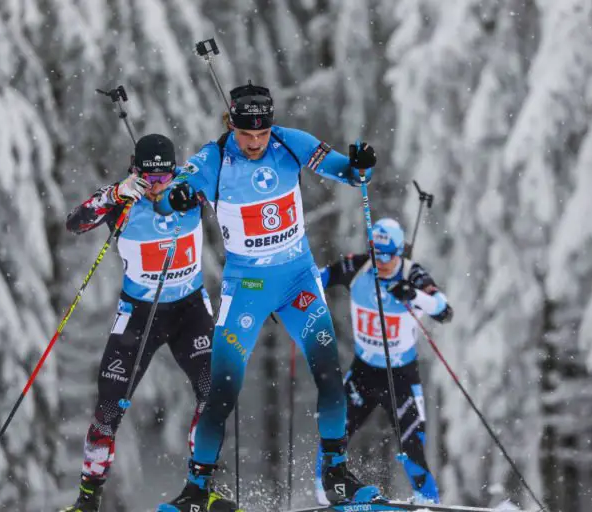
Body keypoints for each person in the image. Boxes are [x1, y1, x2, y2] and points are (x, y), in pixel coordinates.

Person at [153, 82, 381, 512]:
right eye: (246, 134)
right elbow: (170, 197)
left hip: (298, 282)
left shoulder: (291, 143)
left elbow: (350, 174)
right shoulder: (215, 158)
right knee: (222, 389)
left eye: (262, 134)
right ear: (232, 125)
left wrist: (360, 164)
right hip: (248, 288)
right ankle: (196, 490)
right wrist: (176, 197)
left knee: (330, 374)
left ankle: (336, 474)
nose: (255, 143)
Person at [60, 134, 214, 512]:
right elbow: (75, 223)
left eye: (164, 177)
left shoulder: (192, 191)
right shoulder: (123, 202)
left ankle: (199, 490)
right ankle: (87, 501)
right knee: (108, 408)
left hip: (190, 311)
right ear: (135, 171)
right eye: (148, 178)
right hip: (140, 315)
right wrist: (115, 194)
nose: (157, 186)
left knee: (214, 392)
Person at [314, 217, 453, 505]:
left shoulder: (413, 274)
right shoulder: (357, 267)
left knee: (413, 446)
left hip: (401, 376)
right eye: (376, 254)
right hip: (364, 372)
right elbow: (318, 279)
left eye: (388, 256)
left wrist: (413, 295)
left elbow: (444, 310)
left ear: (399, 251)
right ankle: (324, 493)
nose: (381, 262)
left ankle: (428, 503)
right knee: (333, 432)